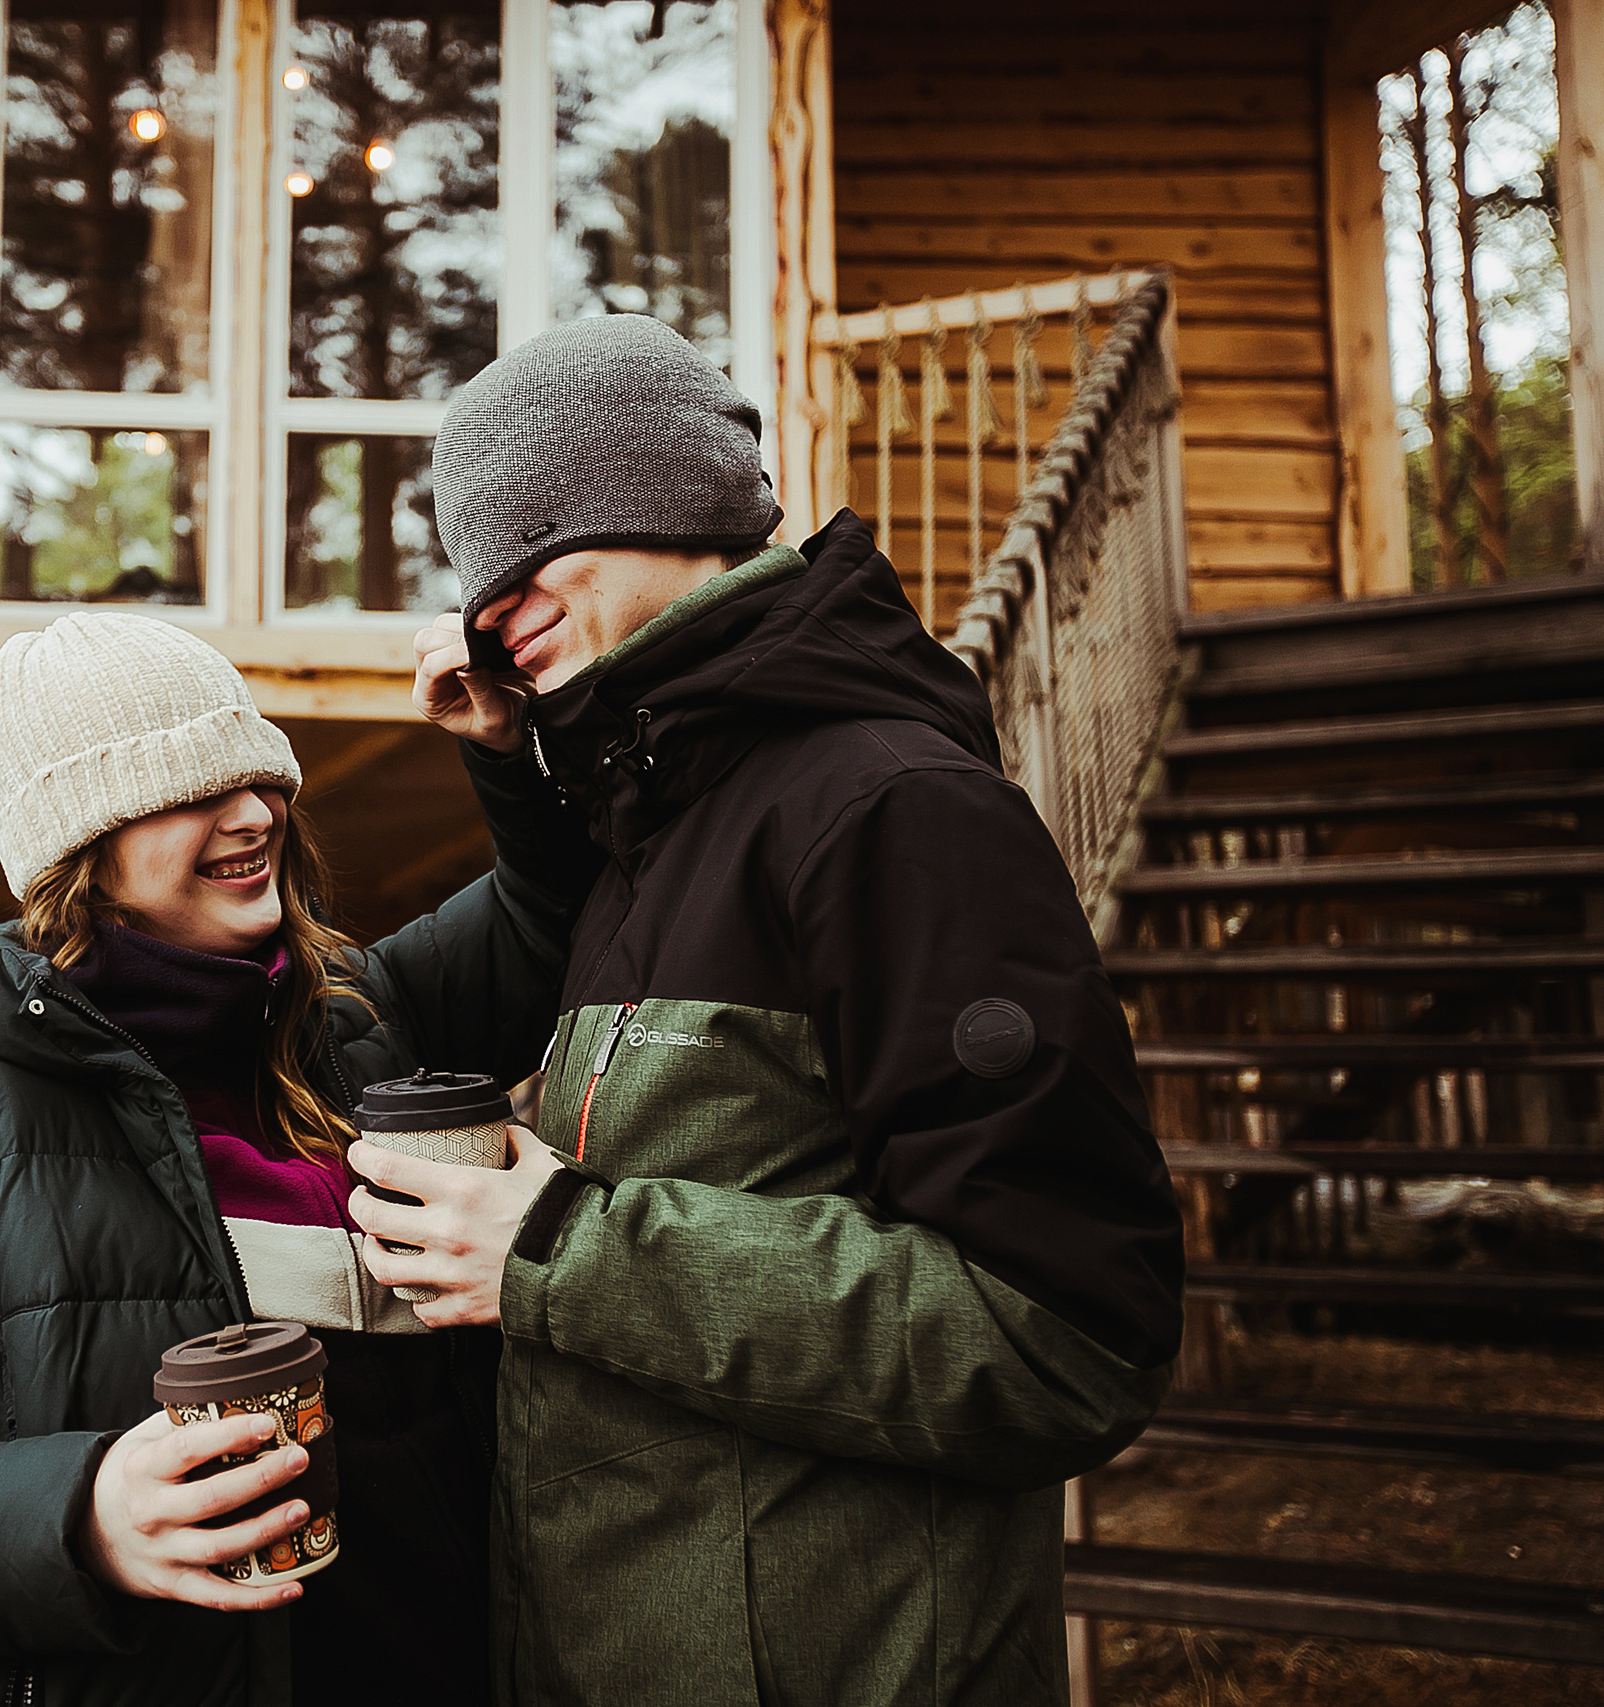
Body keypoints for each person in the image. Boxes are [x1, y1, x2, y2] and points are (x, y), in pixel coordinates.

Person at [344, 313, 1185, 1706]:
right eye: (472, 569)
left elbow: (1064, 1332)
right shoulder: (653, 829)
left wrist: (562, 1244)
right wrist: (515, 763)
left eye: (530, 537)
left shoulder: (890, 811)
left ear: (660, 494)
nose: (488, 599)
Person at [0, 610, 599, 1707]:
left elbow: (554, 911)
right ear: (82, 847)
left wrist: (509, 753)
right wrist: (84, 1514)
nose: (252, 812)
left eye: (258, 777)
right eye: (187, 789)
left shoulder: (357, 1022)